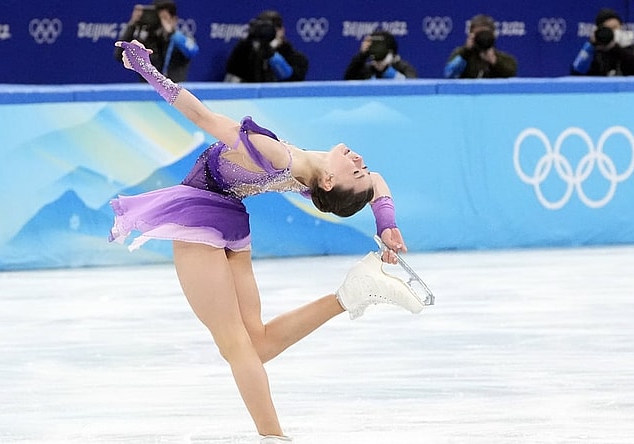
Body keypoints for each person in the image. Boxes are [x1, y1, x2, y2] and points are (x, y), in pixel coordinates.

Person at [112, 39, 427, 444]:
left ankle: (272, 437)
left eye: (356, 171)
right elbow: (377, 182)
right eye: (361, 166)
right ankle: (348, 296)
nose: (360, 162)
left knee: (235, 345)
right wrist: (385, 222)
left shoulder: (278, 156)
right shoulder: (311, 181)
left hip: (199, 213)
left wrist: (146, 71)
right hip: (229, 218)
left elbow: (201, 115)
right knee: (255, 344)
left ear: (330, 182)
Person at [114, 0, 198, 82]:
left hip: (175, 91)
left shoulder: (181, 38)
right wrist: (132, 25)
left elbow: (193, 51)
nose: (161, 22)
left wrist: (171, 33)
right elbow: (119, 55)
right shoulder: (147, 38)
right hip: (147, 91)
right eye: (158, 17)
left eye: (165, 18)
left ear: (174, 19)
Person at [224, 10, 309, 83]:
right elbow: (232, 78)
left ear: (281, 31)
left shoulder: (297, 59)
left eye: (271, 29)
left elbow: (290, 79)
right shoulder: (244, 52)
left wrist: (271, 54)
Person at [570, 8, 634, 76]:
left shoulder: (632, 47)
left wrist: (614, 47)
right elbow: (576, 72)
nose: (613, 32)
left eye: (615, 28)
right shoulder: (595, 51)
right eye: (608, 29)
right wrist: (590, 46)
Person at [443, 14, 517, 79]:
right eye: (479, 35)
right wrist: (466, 52)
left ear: (494, 35)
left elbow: (511, 76)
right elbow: (449, 74)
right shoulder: (461, 55)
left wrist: (495, 62)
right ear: (471, 35)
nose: (482, 37)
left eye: (485, 34)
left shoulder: (505, 60)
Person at [343, 30, 417, 80]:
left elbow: (412, 87)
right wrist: (362, 55)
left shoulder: (403, 68)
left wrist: (386, 71)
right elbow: (348, 80)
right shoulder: (366, 70)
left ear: (391, 52)